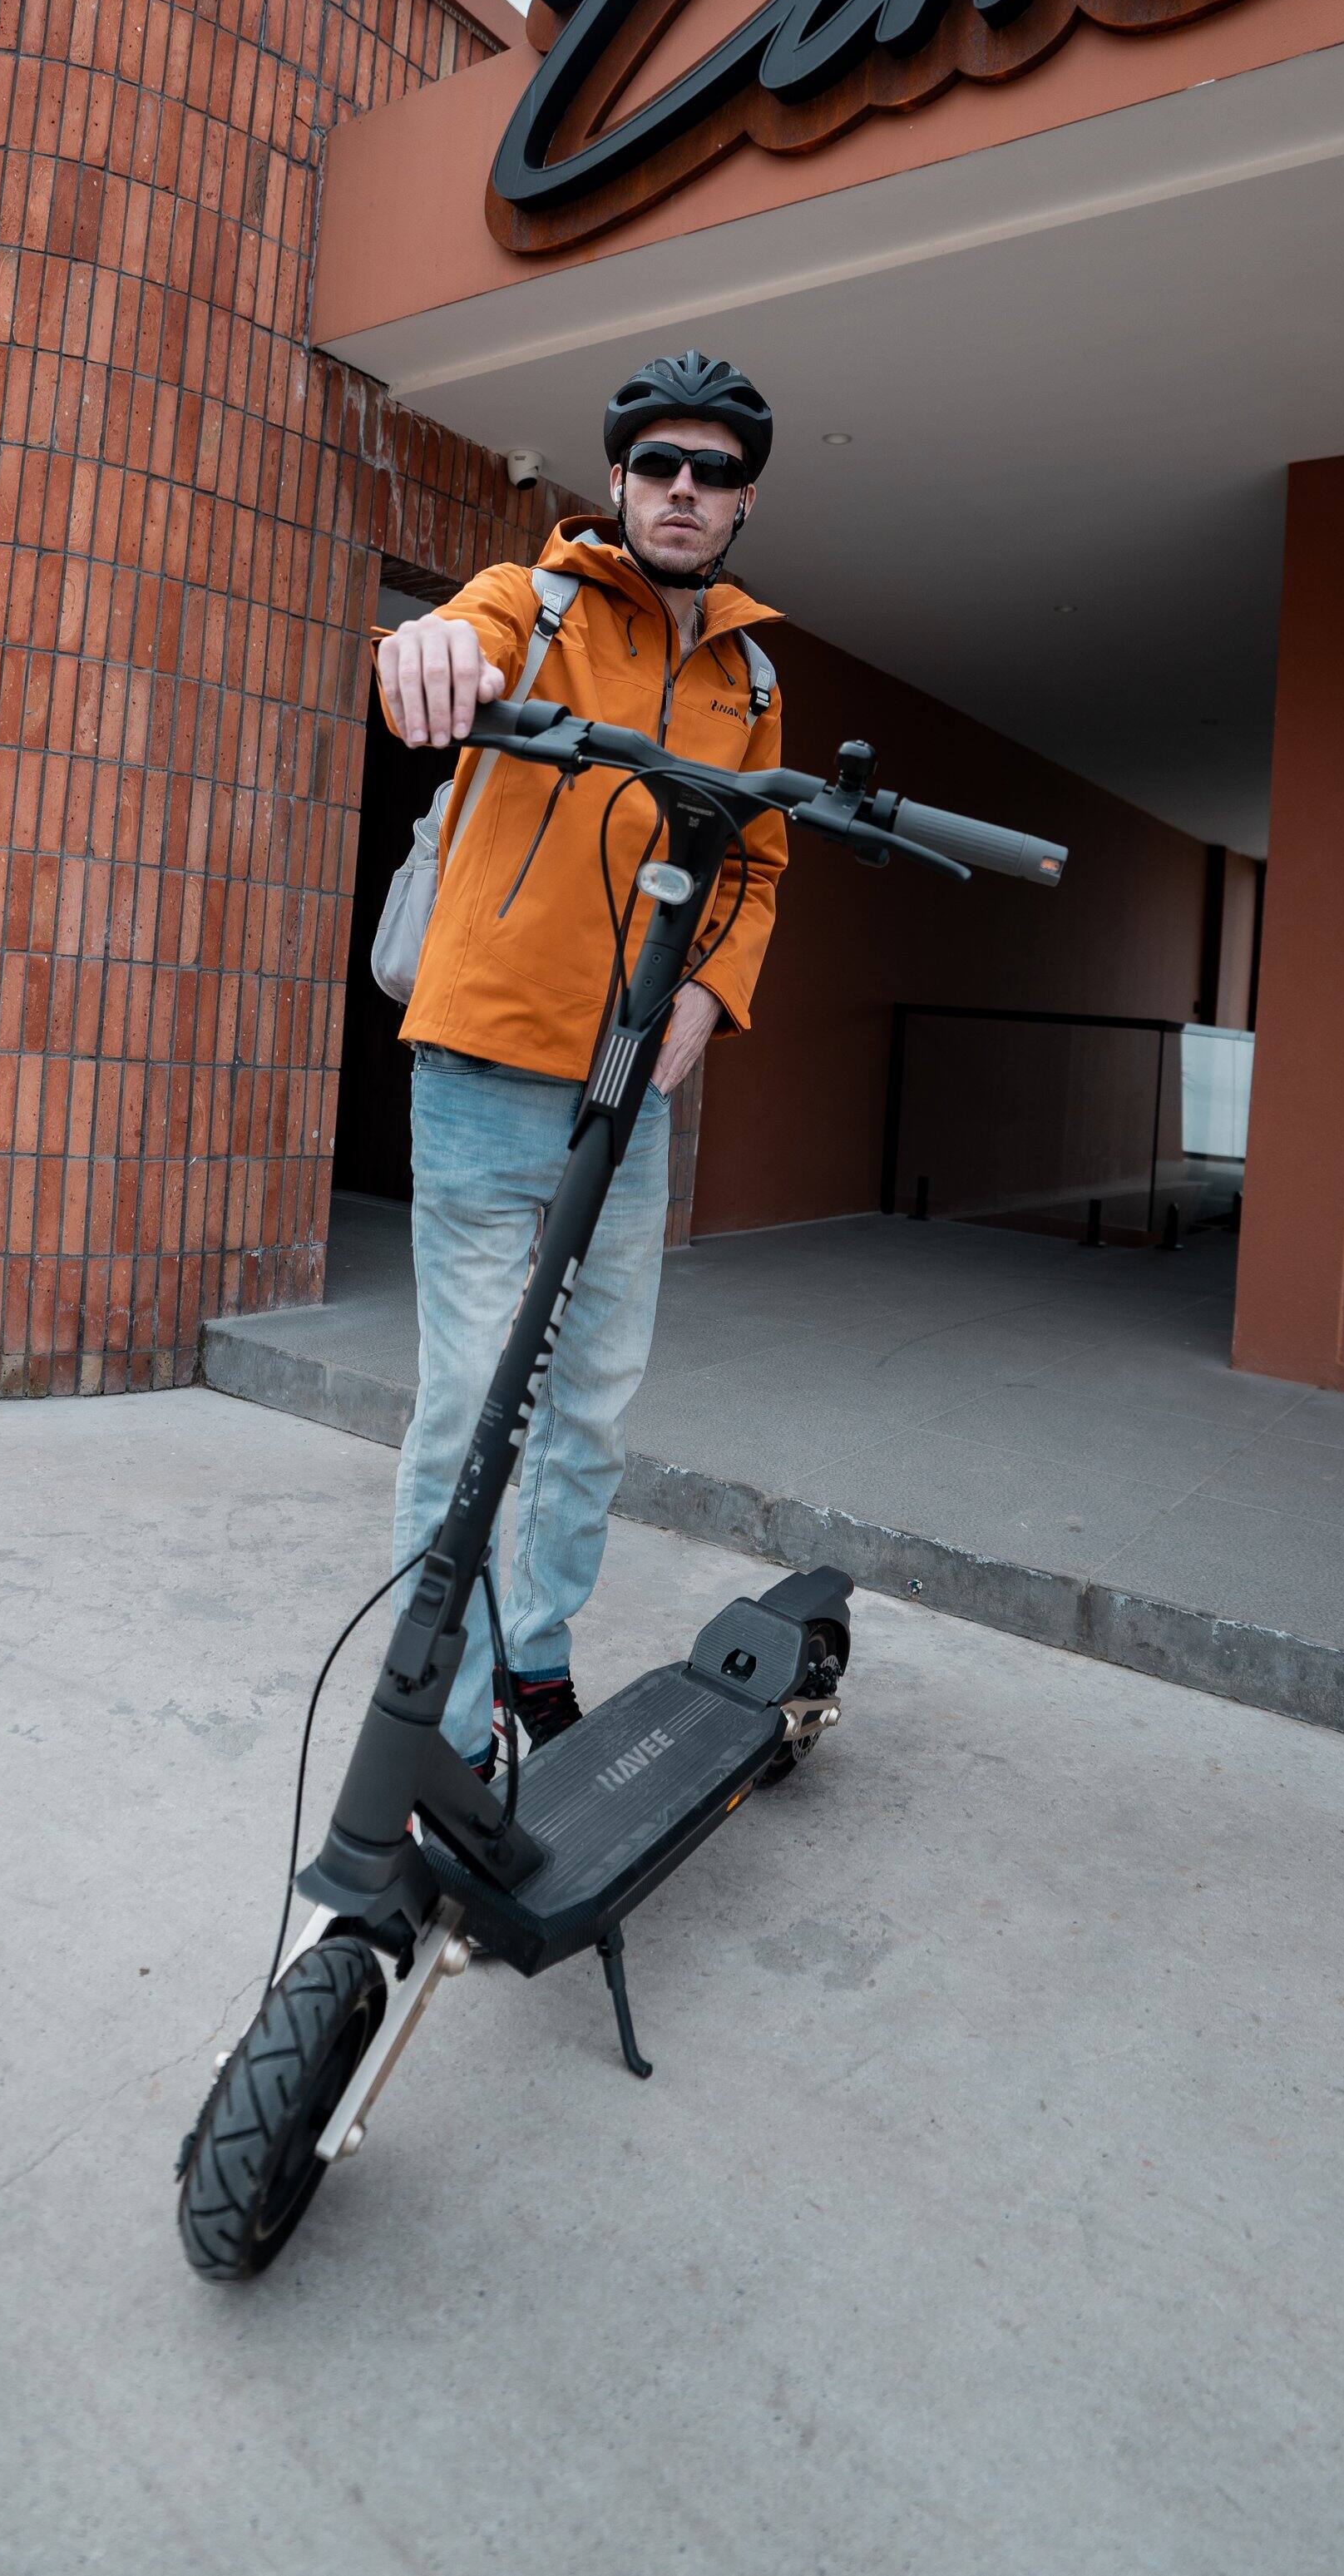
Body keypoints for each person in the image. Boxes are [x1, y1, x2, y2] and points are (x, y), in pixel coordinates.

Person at [375, 349, 788, 1773]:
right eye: (657, 464)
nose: (683, 488)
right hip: (482, 1068)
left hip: (630, 1094)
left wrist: (712, 990)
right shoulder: (531, 600)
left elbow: (757, 865)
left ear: (740, 502)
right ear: (616, 481)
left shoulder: (752, 673)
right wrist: (425, 650)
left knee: (589, 1411)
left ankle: (536, 1656)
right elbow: (457, 642)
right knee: (468, 1410)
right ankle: (440, 1723)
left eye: (712, 472)